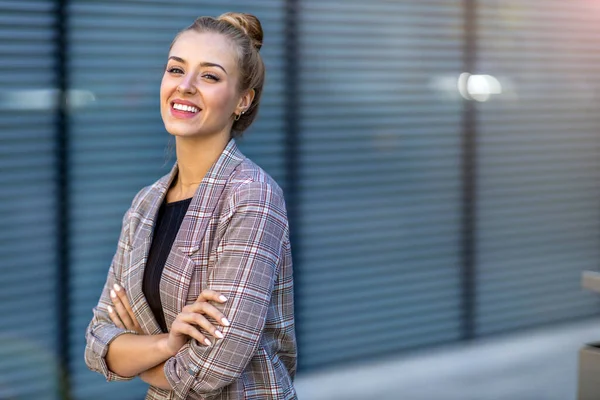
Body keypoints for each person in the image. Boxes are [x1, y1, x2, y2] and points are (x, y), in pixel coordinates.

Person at [84, 12, 297, 399]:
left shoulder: (251, 196)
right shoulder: (145, 204)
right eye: (175, 69)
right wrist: (168, 345)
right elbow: (99, 342)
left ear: (242, 101)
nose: (185, 86)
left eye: (210, 76)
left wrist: (138, 355)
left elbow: (213, 367)